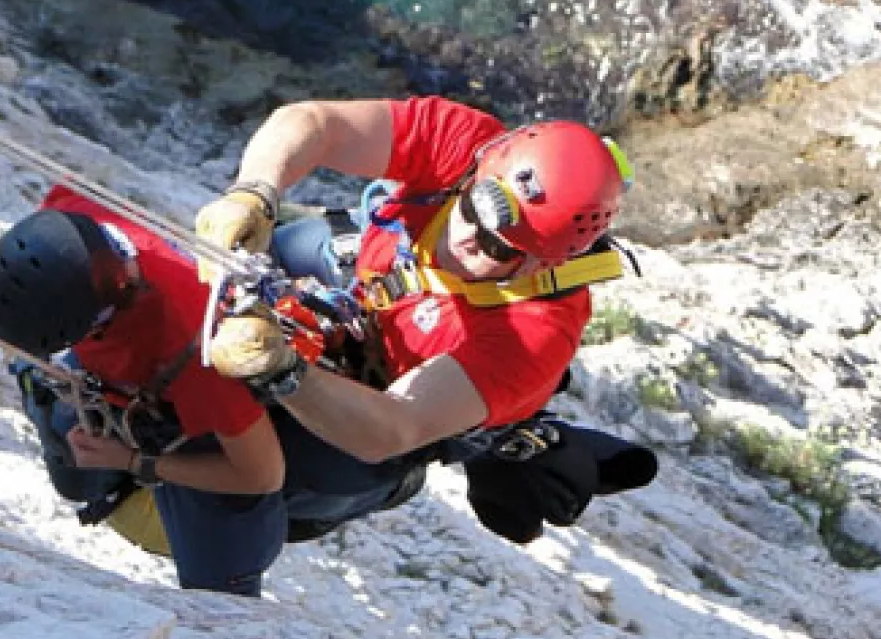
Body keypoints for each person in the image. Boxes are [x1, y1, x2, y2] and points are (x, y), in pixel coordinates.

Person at [196, 95, 657, 542]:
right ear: (478, 175)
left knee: (308, 471)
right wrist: (255, 192)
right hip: (362, 278)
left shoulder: (533, 337)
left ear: (542, 263)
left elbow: (392, 427)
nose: (468, 236)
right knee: (270, 249)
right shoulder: (470, 144)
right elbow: (314, 123)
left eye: (497, 247)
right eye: (473, 207)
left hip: (385, 401)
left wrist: (283, 372)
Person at [0, 184, 288, 596]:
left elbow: (262, 474)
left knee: (221, 573)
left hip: (196, 412)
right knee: (71, 463)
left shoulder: (200, 349)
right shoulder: (72, 219)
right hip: (128, 382)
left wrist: (135, 462)